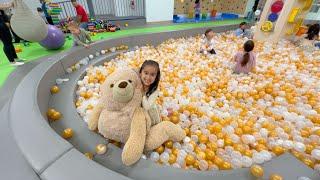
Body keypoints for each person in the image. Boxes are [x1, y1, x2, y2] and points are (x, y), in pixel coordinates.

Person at [139, 60, 161, 126]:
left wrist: (143, 94)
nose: (148, 77)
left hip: (152, 118)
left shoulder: (155, 91)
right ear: (140, 73)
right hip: (139, 115)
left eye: (152, 75)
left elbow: (147, 107)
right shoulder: (137, 82)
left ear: (156, 77)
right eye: (146, 73)